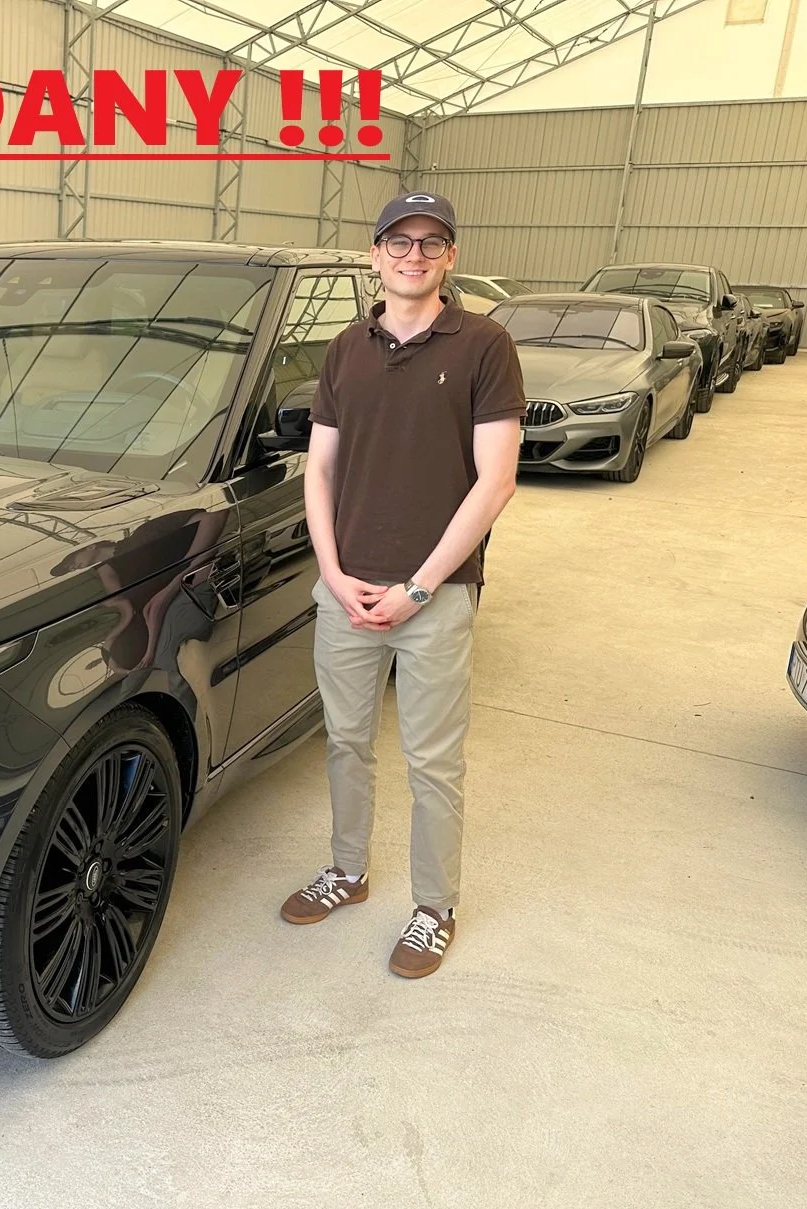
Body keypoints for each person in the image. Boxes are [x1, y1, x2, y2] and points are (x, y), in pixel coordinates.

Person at [279, 191, 525, 979]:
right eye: (399, 241)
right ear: (374, 253)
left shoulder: (485, 344)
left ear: (450, 256)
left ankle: (434, 907)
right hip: (345, 591)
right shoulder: (346, 348)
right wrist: (331, 571)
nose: (413, 254)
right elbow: (319, 468)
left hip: (436, 599)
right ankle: (347, 872)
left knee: (432, 760)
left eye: (431, 242)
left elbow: (496, 481)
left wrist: (419, 587)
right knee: (348, 742)